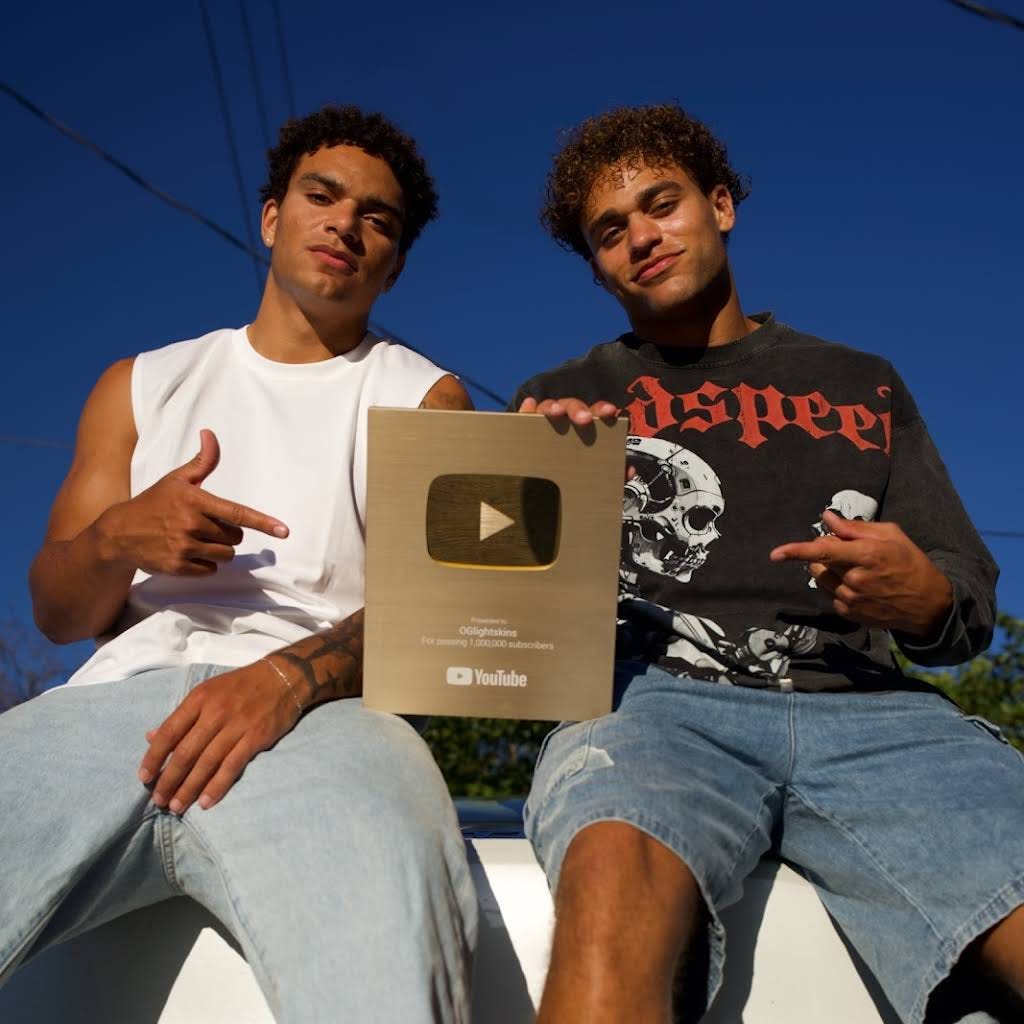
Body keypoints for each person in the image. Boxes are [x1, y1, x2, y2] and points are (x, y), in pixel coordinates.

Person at [513, 103, 1024, 1024]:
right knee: (609, 880)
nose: (640, 238)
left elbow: (965, 602)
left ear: (720, 205)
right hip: (649, 712)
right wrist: (526, 495)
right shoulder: (557, 403)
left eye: (660, 204)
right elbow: (505, 640)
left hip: (879, 720)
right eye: (610, 231)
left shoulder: (862, 380)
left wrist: (923, 597)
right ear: (596, 266)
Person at [0, 105, 477, 1023]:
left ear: (395, 263)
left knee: (384, 976)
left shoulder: (426, 397)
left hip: (327, 723)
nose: (344, 223)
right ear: (271, 217)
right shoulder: (140, 383)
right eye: (321, 196)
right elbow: (58, 615)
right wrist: (118, 539)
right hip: (112, 710)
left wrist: (286, 680)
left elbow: (441, 612)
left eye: (377, 218)